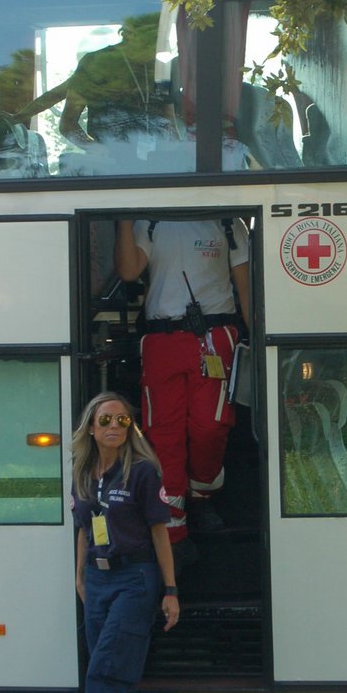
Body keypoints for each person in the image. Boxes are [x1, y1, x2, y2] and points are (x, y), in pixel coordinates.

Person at [61, 391, 178, 693]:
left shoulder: (143, 472)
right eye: (106, 420)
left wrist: (170, 590)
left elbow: (160, 534)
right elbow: (82, 528)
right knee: (118, 677)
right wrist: (79, 576)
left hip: (135, 580)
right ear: (91, 428)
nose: (114, 427)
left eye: (123, 421)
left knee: (103, 671)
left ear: (131, 429)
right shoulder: (82, 470)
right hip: (97, 580)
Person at [114, 218, 250, 560]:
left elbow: (246, 289)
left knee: (211, 426)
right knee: (164, 434)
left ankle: (202, 496)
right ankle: (173, 535)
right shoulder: (152, 220)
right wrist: (123, 219)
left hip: (215, 337)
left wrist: (262, 342)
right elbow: (129, 272)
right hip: (161, 338)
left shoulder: (227, 222)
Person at [15, 13, 176, 149]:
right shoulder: (97, 63)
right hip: (109, 163)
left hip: (156, 165)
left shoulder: (158, 68)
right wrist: (96, 152)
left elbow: (170, 122)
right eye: (153, 39)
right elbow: (67, 123)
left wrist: (178, 152)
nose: (159, 47)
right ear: (130, 35)